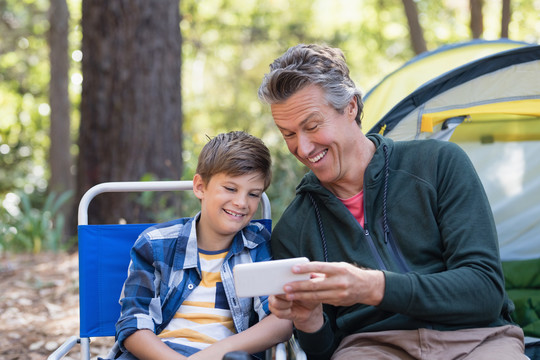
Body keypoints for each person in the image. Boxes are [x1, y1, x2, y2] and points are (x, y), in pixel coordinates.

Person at [257, 44, 526, 360]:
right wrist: (309, 321)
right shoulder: (294, 228)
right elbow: (324, 351)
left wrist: (372, 287)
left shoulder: (438, 164)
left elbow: (484, 291)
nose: (302, 148)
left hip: (478, 339)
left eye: (312, 126)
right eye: (288, 134)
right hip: (371, 348)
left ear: (351, 107)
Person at [103, 131, 292, 360]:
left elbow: (280, 320)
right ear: (200, 187)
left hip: (226, 355)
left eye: (253, 194)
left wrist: (211, 354)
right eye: (230, 189)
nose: (241, 203)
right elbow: (133, 325)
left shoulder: (258, 246)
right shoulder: (155, 244)